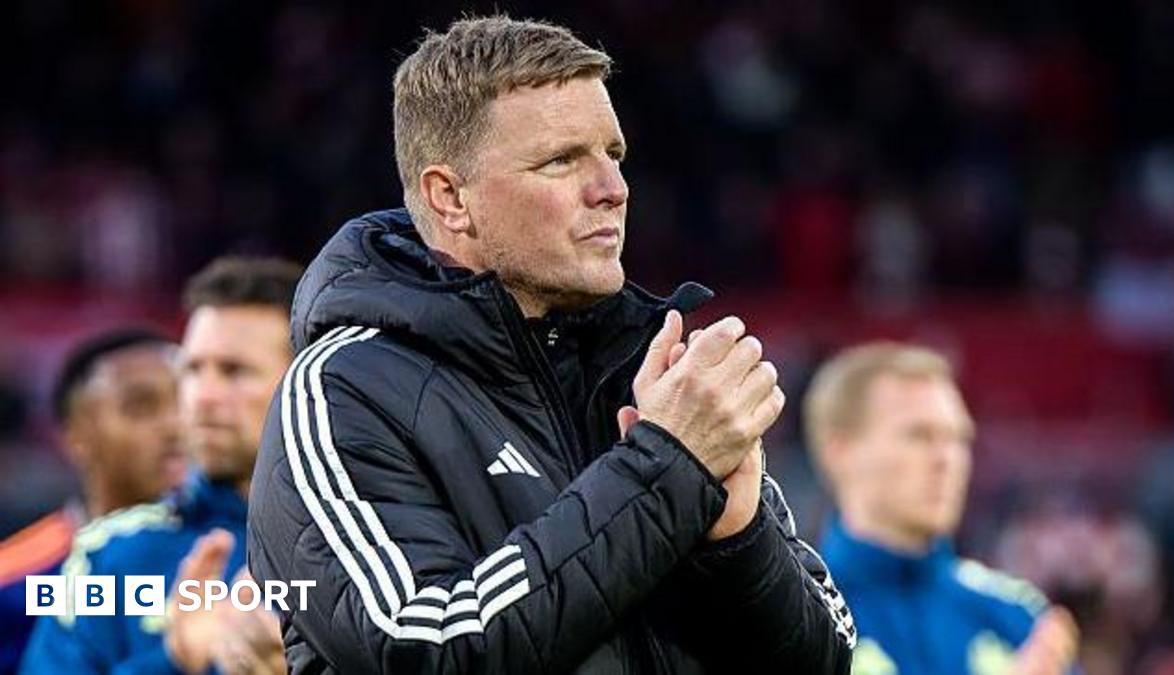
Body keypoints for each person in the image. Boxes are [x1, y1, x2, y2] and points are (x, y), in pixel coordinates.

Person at [248, 14, 855, 674]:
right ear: (450, 198)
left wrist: (737, 543)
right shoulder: (343, 388)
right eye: (561, 161)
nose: (612, 190)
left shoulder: (648, 369)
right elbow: (424, 647)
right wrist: (668, 471)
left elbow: (827, 660)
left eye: (613, 155)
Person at [20, 257, 302, 674]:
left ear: (305, 380)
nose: (201, 396)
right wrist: (174, 662)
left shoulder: (380, 541)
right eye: (192, 369)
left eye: (234, 371)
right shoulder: (111, 559)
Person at [806, 342, 1081, 675]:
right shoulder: (796, 618)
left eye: (958, 439)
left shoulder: (1016, 614)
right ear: (840, 451)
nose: (946, 459)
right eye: (919, 435)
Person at [0, 328, 183, 674]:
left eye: (185, 402)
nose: (176, 425)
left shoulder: (241, 555)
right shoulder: (15, 585)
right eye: (141, 407)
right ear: (75, 436)